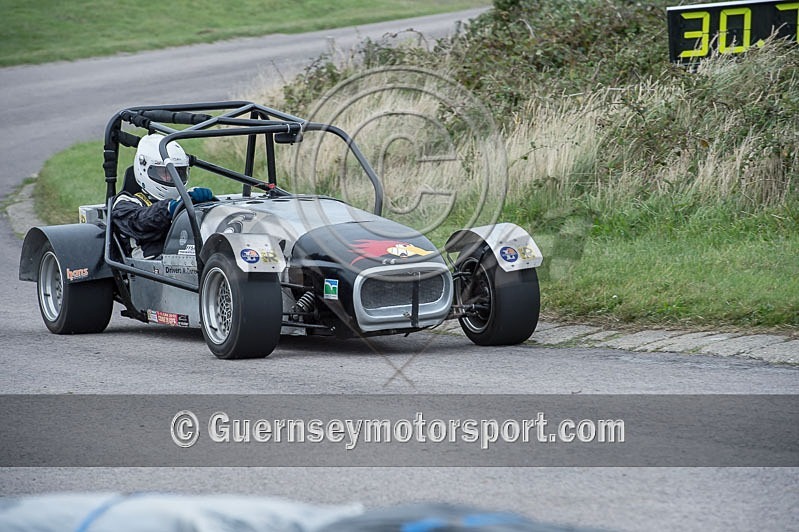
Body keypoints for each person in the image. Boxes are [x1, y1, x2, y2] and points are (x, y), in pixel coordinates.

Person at [112, 133, 213, 259]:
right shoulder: (125, 203)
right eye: (166, 173)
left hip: (187, 258)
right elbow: (140, 223)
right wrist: (168, 209)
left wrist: (208, 205)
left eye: (178, 172)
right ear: (144, 169)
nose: (173, 178)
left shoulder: (183, 199)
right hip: (150, 268)